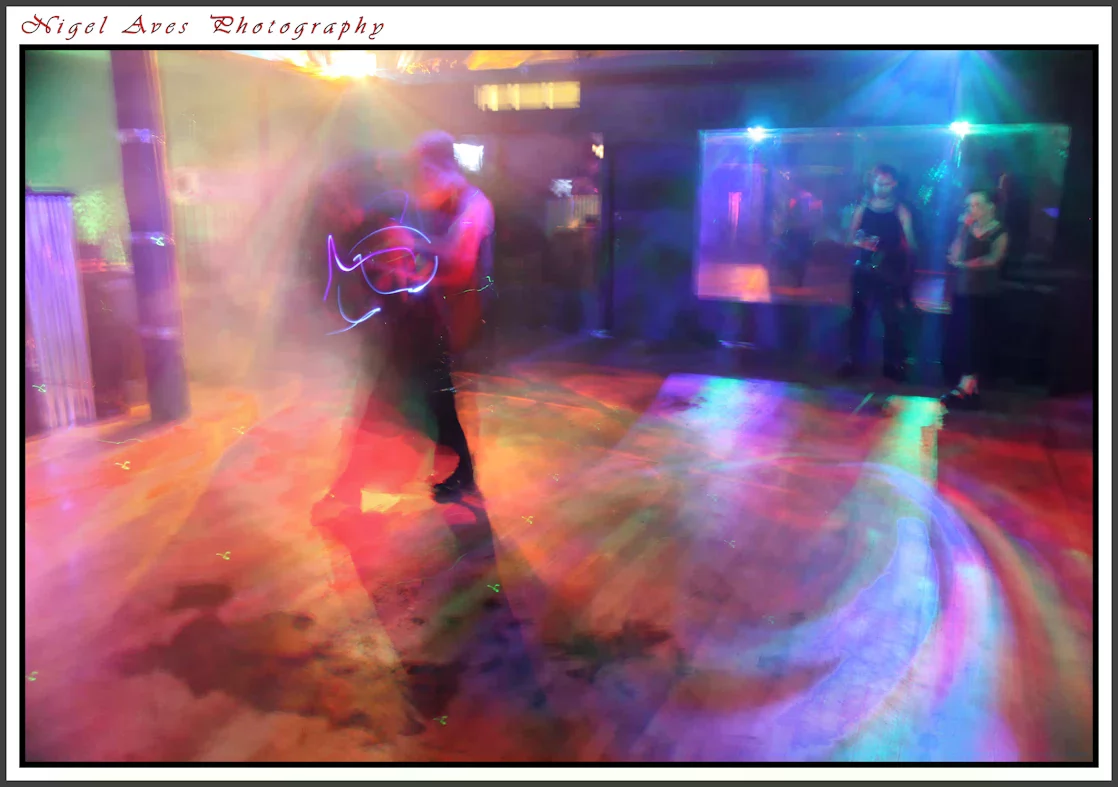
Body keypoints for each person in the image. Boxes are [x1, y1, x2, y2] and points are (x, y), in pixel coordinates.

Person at [399, 131, 496, 502]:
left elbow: (459, 263)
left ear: (441, 165)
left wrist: (412, 244)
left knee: (441, 394)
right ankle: (456, 468)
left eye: (425, 168)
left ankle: (461, 471)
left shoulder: (473, 203)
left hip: (462, 314)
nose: (421, 177)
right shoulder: (442, 201)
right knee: (435, 394)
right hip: (440, 314)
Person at [839, 165, 918, 382]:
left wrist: (903, 266)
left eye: (886, 183)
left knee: (891, 319)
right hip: (864, 270)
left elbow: (911, 243)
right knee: (858, 316)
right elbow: (848, 240)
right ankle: (853, 360)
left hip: (890, 272)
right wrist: (861, 242)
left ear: (894, 184)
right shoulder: (862, 208)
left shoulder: (900, 210)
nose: (881, 187)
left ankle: (892, 363)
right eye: (877, 182)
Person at [940, 189, 1008, 410]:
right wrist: (963, 228)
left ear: (990, 207)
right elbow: (954, 255)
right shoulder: (967, 228)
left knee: (976, 338)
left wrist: (968, 265)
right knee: (961, 337)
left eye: (977, 205)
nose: (972, 210)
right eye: (969, 205)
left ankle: (967, 386)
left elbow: (994, 259)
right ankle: (968, 387)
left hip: (984, 294)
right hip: (962, 292)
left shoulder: (998, 231)